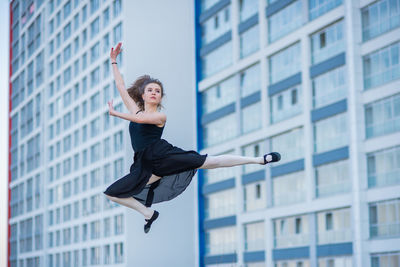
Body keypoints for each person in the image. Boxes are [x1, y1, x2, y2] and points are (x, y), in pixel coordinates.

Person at [103, 42, 281, 233]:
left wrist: (116, 114)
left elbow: (143, 118)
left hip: (163, 156)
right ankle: (148, 214)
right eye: (150, 90)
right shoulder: (135, 110)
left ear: (161, 98)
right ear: (143, 95)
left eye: (158, 91)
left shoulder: (160, 116)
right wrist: (113, 61)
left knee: (211, 162)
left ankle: (259, 160)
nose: (154, 93)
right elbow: (121, 87)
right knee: (112, 193)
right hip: (144, 165)